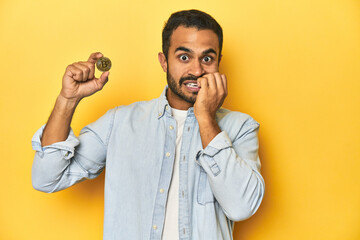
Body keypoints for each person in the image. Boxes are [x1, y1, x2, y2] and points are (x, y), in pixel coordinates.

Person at [31, 9, 265, 240]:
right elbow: (47, 178)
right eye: (184, 57)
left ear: (218, 62)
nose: (196, 70)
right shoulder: (119, 122)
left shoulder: (241, 127)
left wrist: (205, 117)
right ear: (164, 62)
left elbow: (242, 207)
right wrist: (67, 100)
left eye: (207, 58)